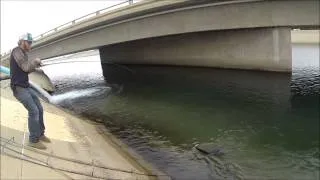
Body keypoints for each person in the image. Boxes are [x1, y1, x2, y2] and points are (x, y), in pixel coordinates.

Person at [10, 33, 51, 150]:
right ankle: (33, 140)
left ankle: (40, 134)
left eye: (31, 42)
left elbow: (25, 70)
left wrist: (36, 67)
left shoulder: (23, 54)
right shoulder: (16, 51)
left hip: (26, 86)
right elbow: (26, 67)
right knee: (34, 111)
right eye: (29, 42)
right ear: (22, 42)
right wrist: (36, 61)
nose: (30, 44)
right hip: (19, 88)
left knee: (40, 108)